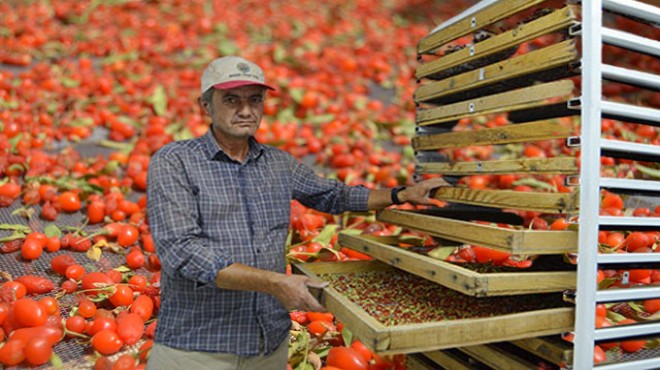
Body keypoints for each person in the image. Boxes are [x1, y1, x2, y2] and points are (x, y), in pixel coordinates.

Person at [145, 56, 449, 370]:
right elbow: (183, 252)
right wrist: (275, 283)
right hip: (198, 350)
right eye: (231, 100)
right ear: (206, 105)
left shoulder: (278, 164)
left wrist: (400, 194)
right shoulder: (175, 161)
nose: (246, 110)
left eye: (255, 100)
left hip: (268, 347)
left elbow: (332, 195)